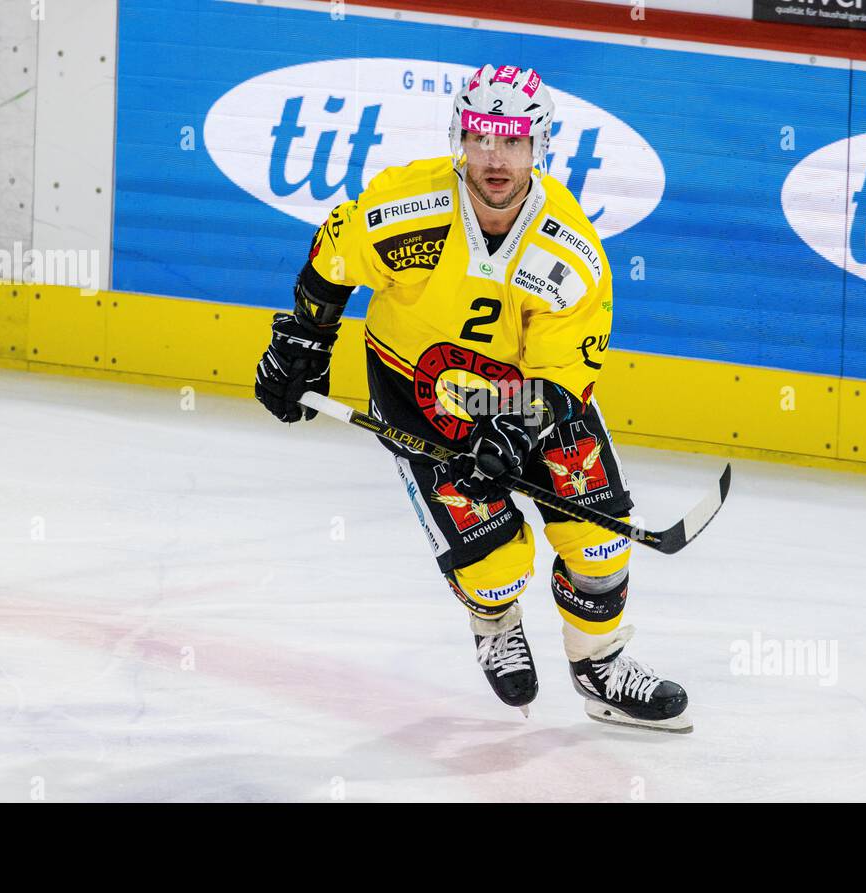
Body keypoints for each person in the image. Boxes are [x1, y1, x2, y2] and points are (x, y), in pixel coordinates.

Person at [255, 64, 690, 732]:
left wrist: (514, 431)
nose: (494, 157)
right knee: (494, 567)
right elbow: (332, 256)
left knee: (599, 545)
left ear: (539, 145)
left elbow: (563, 375)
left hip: (531, 404)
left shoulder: (570, 251)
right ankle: (494, 618)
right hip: (418, 396)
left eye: (512, 141)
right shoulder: (407, 207)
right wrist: (305, 344)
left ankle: (600, 664)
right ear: (460, 135)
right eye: (481, 137)